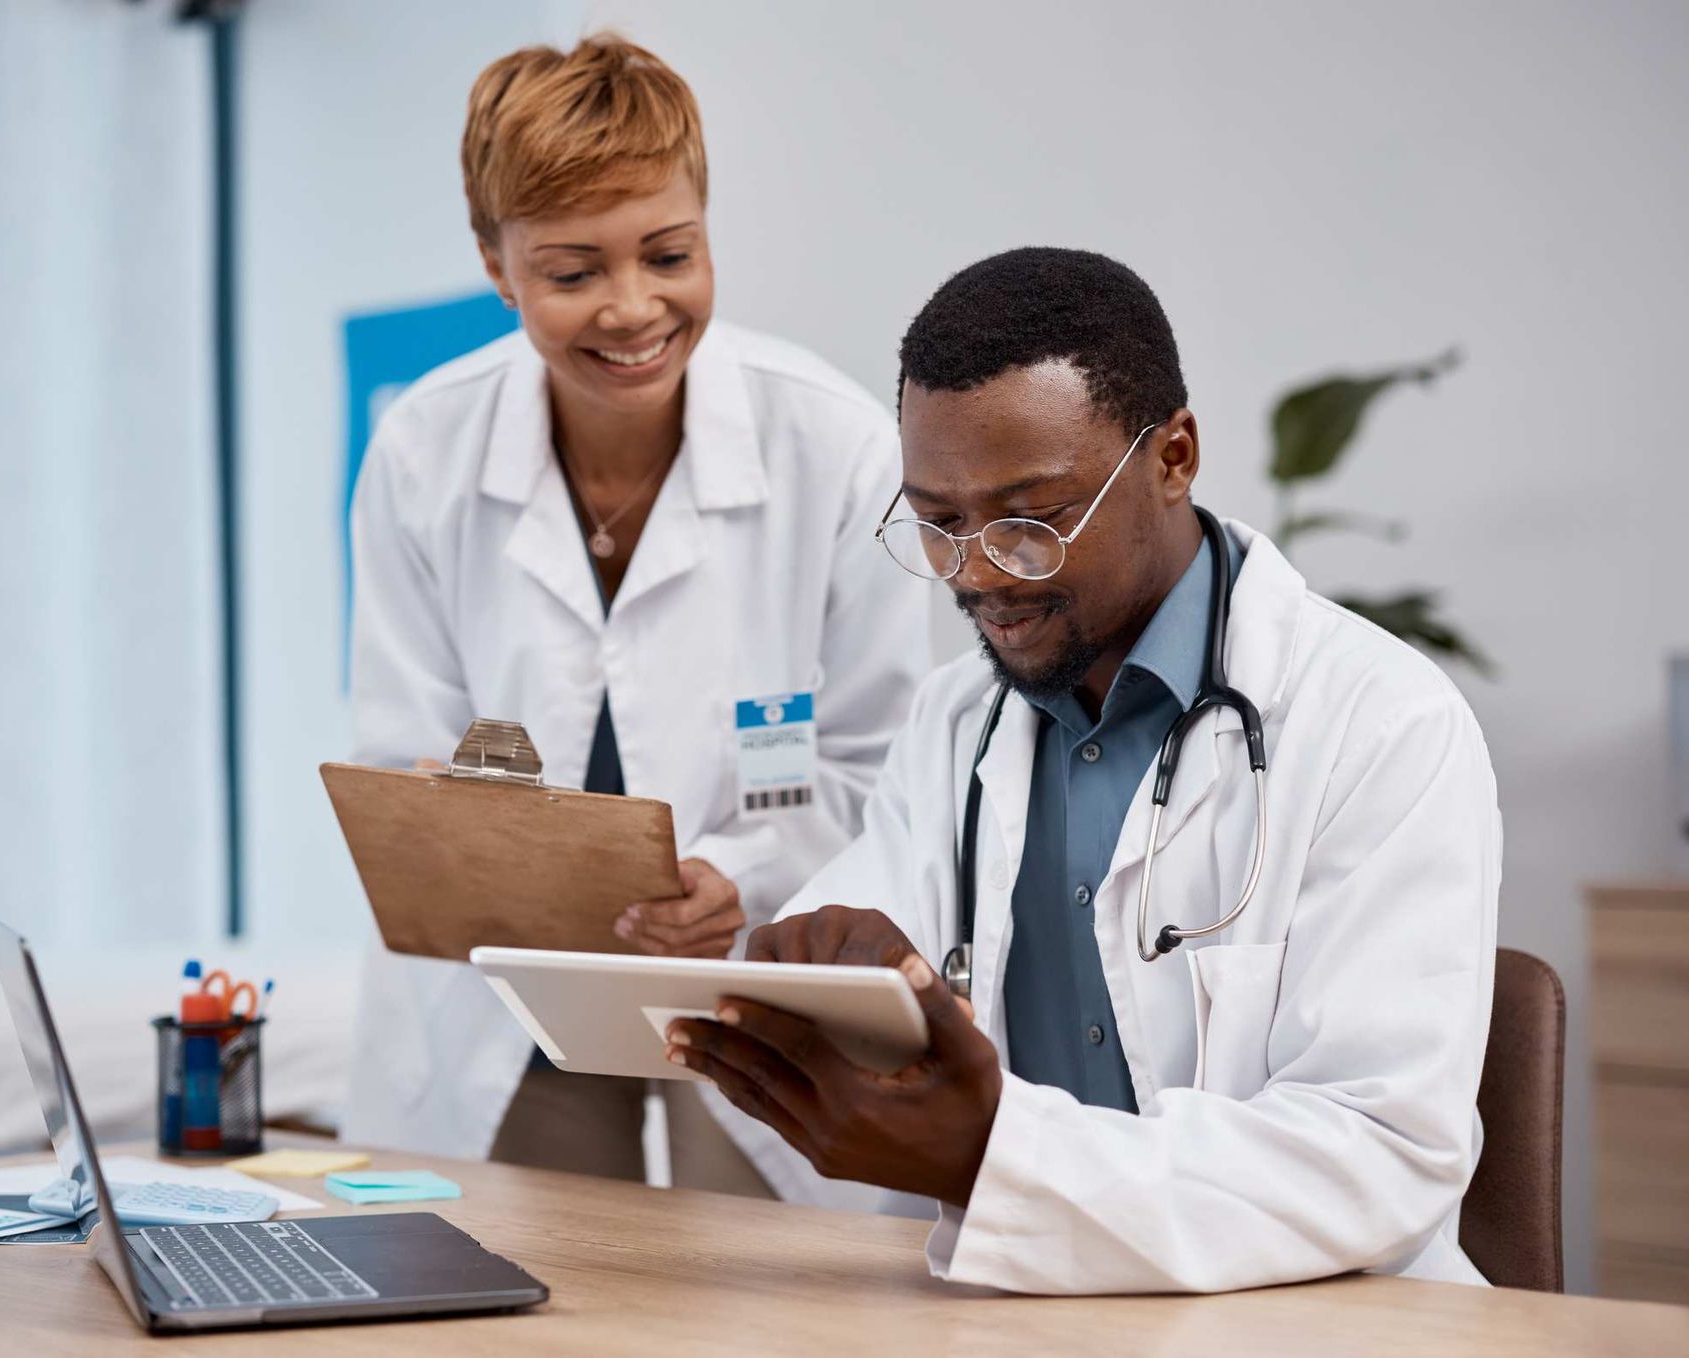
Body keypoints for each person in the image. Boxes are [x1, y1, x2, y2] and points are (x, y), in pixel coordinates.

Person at [664, 247, 1502, 1290]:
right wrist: (815, 980)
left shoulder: (1380, 721)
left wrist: (994, 1151)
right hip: (1023, 1313)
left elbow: (1381, 1151)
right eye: (939, 522)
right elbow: (867, 952)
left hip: (1318, 1321)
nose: (976, 573)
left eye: (1033, 517)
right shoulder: (955, 721)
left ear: (1174, 456)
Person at [340, 36, 929, 1196]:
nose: (633, 307)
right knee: (527, 1288)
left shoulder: (838, 446)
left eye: (671, 253)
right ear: (496, 266)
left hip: (754, 966)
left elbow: (882, 760)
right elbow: (398, 749)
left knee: (752, 1297)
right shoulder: (423, 448)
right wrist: (475, 836)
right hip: (511, 979)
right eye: (572, 272)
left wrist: (739, 874)